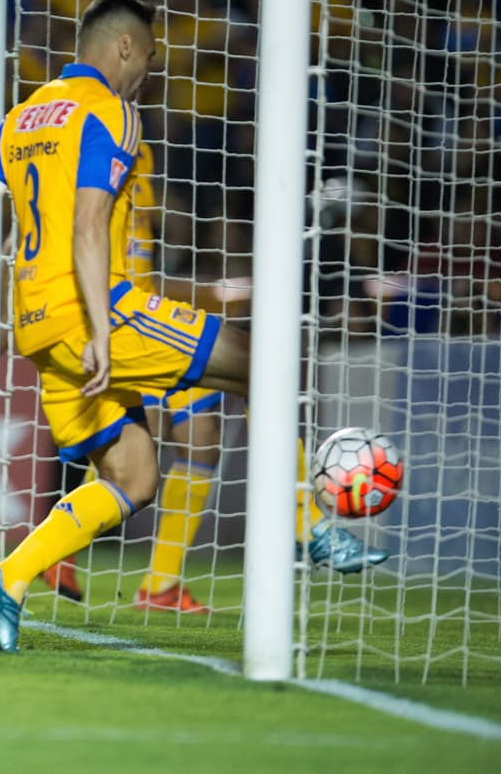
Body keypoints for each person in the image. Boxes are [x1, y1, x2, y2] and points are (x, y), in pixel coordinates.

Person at [0, 0, 367, 653]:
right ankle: (311, 525)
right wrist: (104, 332)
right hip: (97, 312)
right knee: (266, 365)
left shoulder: (25, 115)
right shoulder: (112, 110)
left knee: (134, 477)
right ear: (125, 48)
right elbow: (87, 225)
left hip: (34, 325)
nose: (150, 74)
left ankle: (9, 577)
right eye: (151, 58)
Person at [41, 142, 387, 612]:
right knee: (153, 431)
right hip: (124, 319)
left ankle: (154, 583)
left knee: (200, 433)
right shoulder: (98, 141)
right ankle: (305, 525)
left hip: (142, 307)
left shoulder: (136, 147)